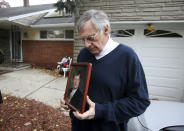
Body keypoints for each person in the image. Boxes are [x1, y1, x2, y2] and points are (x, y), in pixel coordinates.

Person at [61, 9, 150, 131]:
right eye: (83, 39)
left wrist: (99, 110)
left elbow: (140, 102)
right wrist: (70, 100)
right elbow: (80, 86)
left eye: (90, 38)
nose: (86, 44)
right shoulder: (83, 54)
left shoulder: (127, 56)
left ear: (106, 30)